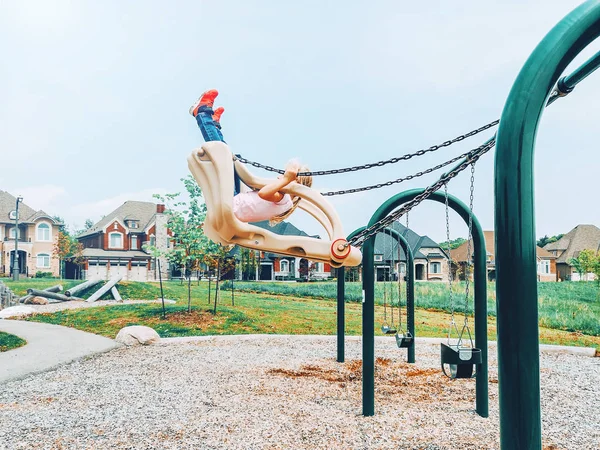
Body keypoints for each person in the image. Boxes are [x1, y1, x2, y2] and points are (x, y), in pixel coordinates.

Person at [189, 89, 312, 225]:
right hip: (234, 202)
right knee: (229, 158)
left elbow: (263, 193)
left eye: (283, 175)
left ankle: (201, 114)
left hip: (232, 204)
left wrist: (286, 180)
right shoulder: (284, 201)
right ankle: (214, 127)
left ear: (295, 181)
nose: (279, 177)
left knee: (222, 154)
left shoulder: (283, 198)